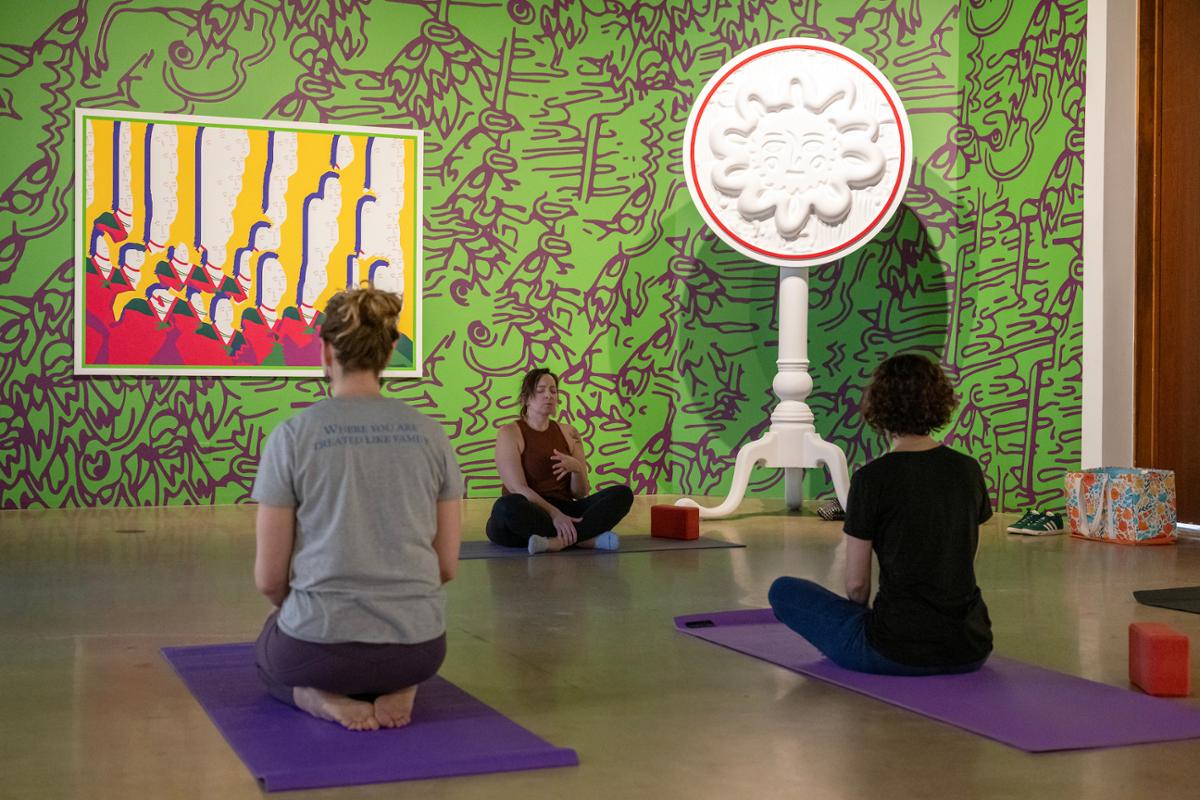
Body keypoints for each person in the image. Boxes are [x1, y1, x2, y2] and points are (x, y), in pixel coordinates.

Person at [252, 286, 463, 731]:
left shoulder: (291, 437)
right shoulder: (432, 436)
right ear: (389, 352)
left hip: (319, 649)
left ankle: (318, 698)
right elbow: (446, 565)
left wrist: (305, 613)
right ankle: (400, 685)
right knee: (388, 658)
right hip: (420, 649)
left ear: (326, 352)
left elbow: (269, 580)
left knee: (266, 656)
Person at [768, 353, 993, 676]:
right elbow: (965, 558)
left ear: (879, 407)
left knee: (783, 590)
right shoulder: (967, 470)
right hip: (971, 648)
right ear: (939, 402)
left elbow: (857, 586)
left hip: (896, 650)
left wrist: (855, 620)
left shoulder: (871, 479)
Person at [486, 368, 634, 554]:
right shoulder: (510, 432)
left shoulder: (569, 432)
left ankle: (555, 542)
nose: (548, 395)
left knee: (622, 494)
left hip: (564, 508)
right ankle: (585, 539)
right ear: (525, 399)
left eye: (553, 391)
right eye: (540, 391)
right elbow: (518, 488)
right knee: (506, 508)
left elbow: (580, 493)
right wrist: (555, 515)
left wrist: (577, 469)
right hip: (530, 508)